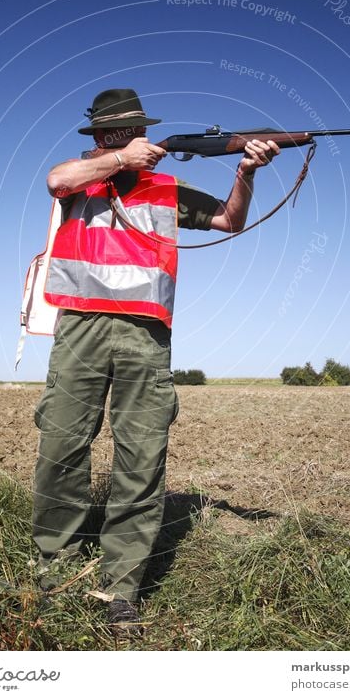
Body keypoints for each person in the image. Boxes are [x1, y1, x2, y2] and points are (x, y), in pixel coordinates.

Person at [32, 88, 279, 636]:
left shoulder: (167, 188)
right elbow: (55, 179)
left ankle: (121, 590)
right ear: (98, 136)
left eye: (129, 131)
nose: (119, 138)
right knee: (61, 447)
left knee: (142, 460)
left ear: (144, 129)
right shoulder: (83, 176)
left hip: (147, 336)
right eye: (109, 133)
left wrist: (246, 171)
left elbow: (228, 222)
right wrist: (120, 159)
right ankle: (54, 574)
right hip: (80, 327)